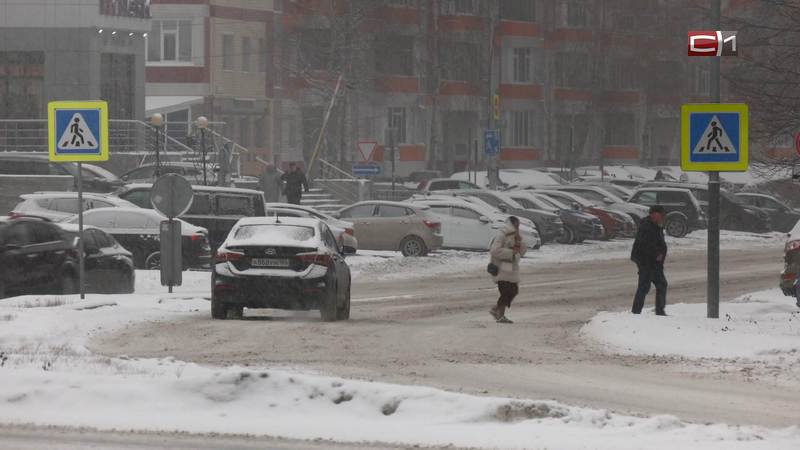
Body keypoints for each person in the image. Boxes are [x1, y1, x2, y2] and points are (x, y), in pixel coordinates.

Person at [630, 205, 668, 316]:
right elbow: (644, 244)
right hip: (646, 262)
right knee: (644, 286)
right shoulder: (647, 226)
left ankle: (659, 311)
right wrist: (656, 254)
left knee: (661, 284)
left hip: (654, 263)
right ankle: (636, 312)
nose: (663, 217)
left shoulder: (655, 225)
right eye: (662, 214)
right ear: (654, 214)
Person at [489, 216, 526, 324]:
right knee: (506, 292)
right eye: (517, 224)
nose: (518, 227)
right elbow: (494, 250)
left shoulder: (516, 235)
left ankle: (496, 310)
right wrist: (511, 253)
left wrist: (519, 245)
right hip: (502, 267)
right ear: (512, 224)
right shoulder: (503, 234)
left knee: (513, 291)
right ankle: (499, 315)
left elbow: (522, 251)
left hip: (511, 268)